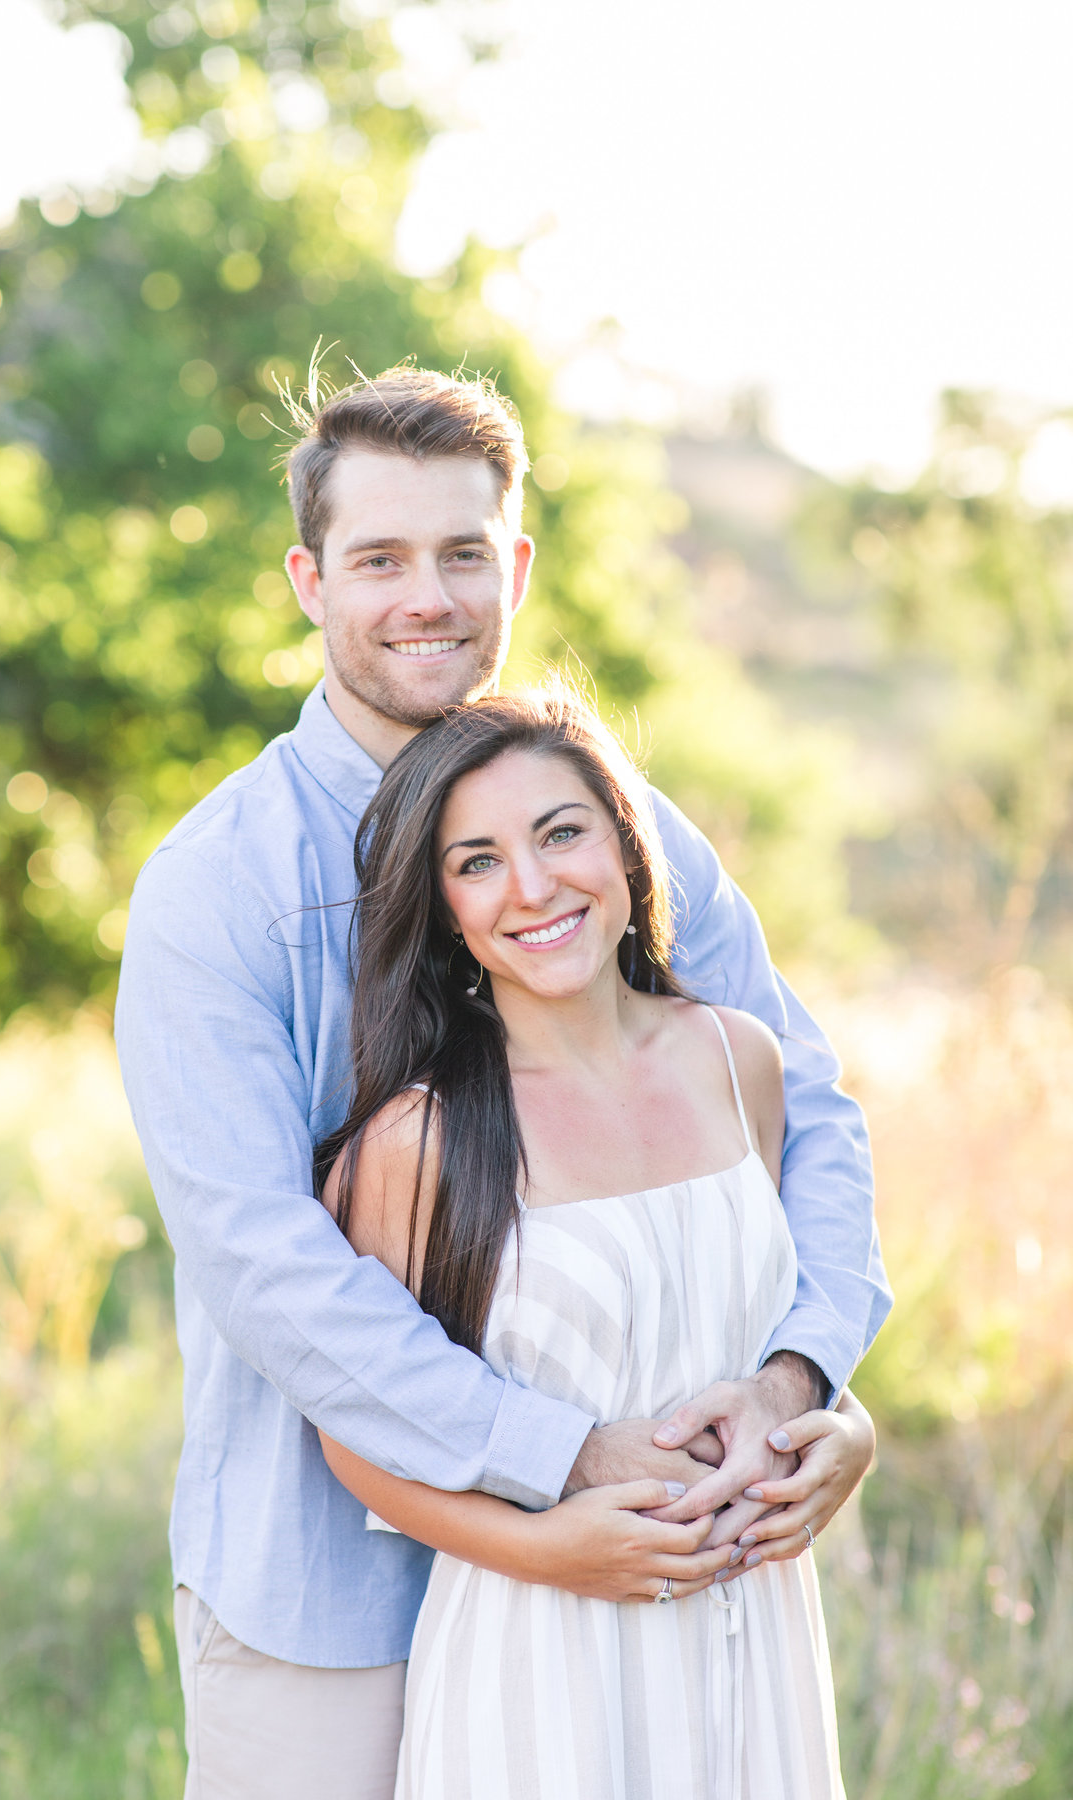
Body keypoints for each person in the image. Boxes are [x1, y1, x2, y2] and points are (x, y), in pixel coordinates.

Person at [114, 366, 890, 1800]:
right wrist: (562, 1463)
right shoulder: (213, 892)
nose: (429, 595)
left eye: (464, 552)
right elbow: (268, 1268)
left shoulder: (621, 832)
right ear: (308, 580)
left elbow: (809, 1113)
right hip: (330, 1598)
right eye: (381, 560)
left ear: (515, 565)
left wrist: (804, 1382)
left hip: (652, 1578)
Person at [316, 683, 865, 1797]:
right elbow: (357, 1438)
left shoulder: (738, 1059)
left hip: (752, 1629)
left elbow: (758, 1332)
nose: (531, 886)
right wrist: (546, 1549)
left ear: (625, 843)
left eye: (560, 832)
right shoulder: (419, 1141)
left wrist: (846, 1426)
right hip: (541, 1657)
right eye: (477, 862)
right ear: (447, 912)